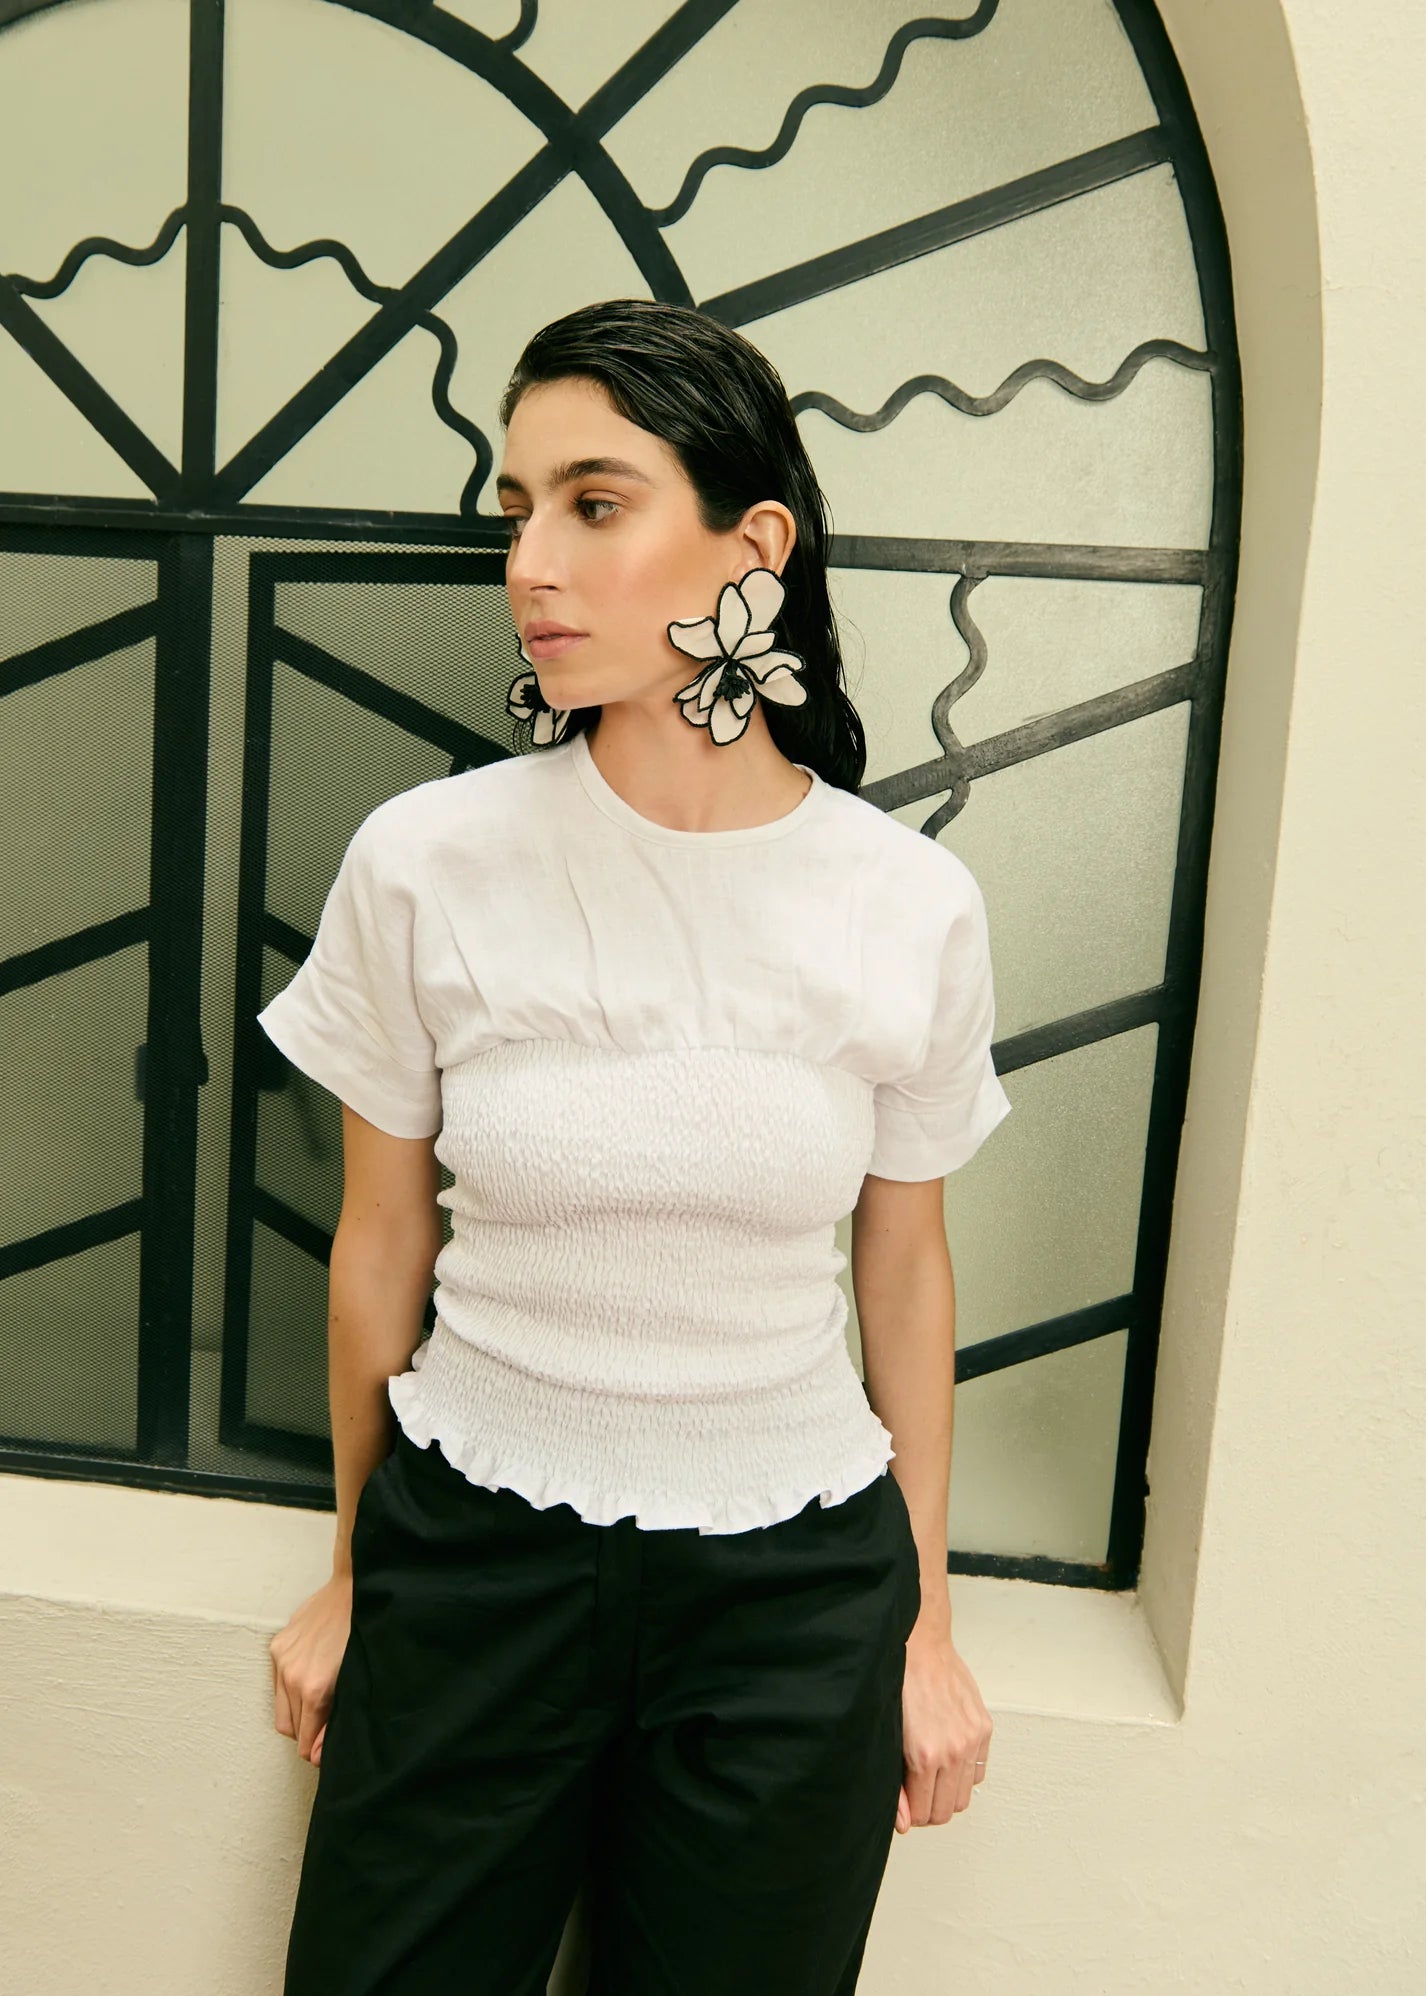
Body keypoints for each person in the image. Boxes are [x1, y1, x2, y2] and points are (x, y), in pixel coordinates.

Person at [259, 297, 1011, 1996]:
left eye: (593, 504)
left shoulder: (907, 902)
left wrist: (923, 1623)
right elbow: (381, 1241)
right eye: (516, 508)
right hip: (474, 1560)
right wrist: (355, 1567)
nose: (531, 562)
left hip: (794, 1595)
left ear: (754, 544)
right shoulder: (426, 862)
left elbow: (903, 1268)